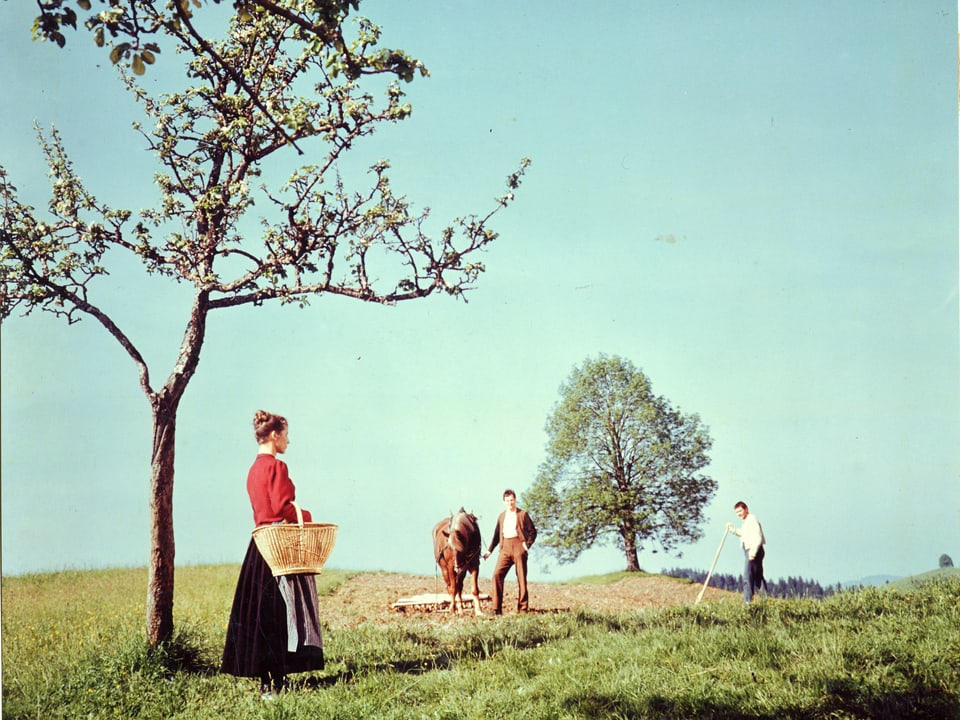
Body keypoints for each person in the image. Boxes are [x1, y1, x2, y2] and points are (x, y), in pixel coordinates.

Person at [221, 410, 325, 697]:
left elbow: (262, 510)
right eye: (287, 435)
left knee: (260, 614)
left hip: (259, 545)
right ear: (275, 435)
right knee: (283, 611)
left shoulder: (253, 469)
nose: (289, 442)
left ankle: (266, 683)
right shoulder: (277, 467)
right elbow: (282, 508)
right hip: (280, 546)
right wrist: (306, 515)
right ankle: (278, 680)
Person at [482, 489, 537, 614]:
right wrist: (489, 550)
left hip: (519, 546)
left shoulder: (523, 514)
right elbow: (496, 535)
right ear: (504, 502)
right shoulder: (502, 516)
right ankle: (496, 609)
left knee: (521, 578)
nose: (510, 503)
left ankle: (523, 608)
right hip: (505, 547)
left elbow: (533, 532)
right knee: (497, 575)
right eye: (507, 501)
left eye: (512, 500)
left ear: (515, 500)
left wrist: (526, 545)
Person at [727, 501, 766, 603]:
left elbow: (758, 537)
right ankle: (765, 600)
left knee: (747, 577)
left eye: (740, 511)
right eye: (737, 512)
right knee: (758, 577)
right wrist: (732, 529)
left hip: (753, 551)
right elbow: (744, 534)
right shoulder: (747, 521)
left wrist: (752, 553)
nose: (739, 514)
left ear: (746, 509)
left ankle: (747, 603)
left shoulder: (752, 519)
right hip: (754, 550)